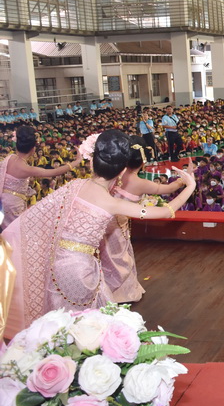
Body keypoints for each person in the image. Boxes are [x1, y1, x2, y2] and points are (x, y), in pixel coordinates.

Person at [3, 130, 197, 337]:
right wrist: (190, 185)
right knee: (89, 326)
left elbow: (35, 217)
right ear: (122, 171)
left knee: (61, 323)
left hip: (56, 263)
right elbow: (165, 212)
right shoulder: (111, 203)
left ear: (91, 162)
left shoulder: (74, 185)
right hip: (80, 269)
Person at [99, 136, 188, 303]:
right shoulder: (140, 183)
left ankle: (104, 290)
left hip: (103, 221)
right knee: (119, 258)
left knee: (105, 256)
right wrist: (185, 179)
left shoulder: (114, 174)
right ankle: (119, 293)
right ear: (143, 161)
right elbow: (169, 188)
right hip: (118, 225)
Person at [0, 126, 82, 230]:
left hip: (3, 201)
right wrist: (76, 162)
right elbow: (53, 172)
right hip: (13, 205)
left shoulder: (9, 158)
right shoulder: (26, 168)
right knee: (14, 231)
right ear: (33, 149)